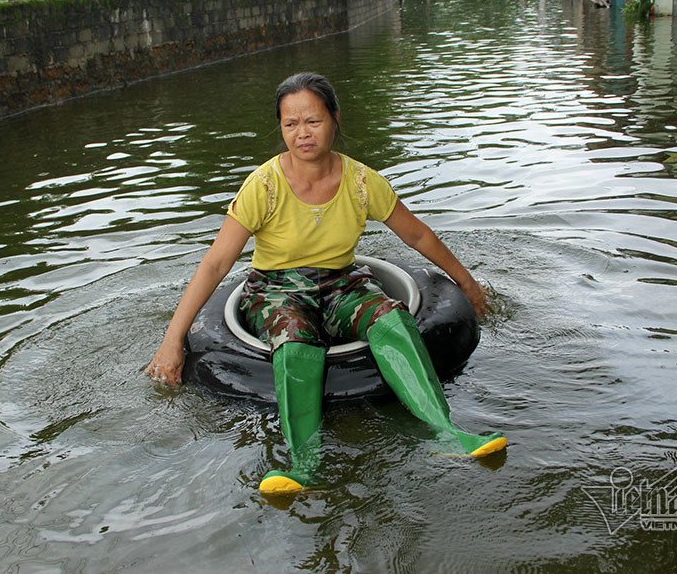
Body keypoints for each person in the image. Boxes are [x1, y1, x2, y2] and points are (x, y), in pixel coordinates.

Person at [144, 72, 506, 494]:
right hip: (276, 289)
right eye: (290, 124)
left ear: (334, 118)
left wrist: (470, 286)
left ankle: (445, 433)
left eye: (312, 121)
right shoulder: (263, 185)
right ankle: (305, 462)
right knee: (295, 340)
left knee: (392, 319)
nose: (302, 134)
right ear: (280, 128)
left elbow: (418, 235)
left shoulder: (361, 181)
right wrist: (173, 339)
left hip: (342, 283)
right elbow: (216, 263)